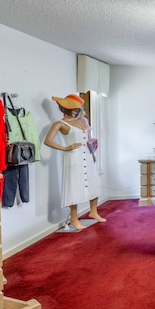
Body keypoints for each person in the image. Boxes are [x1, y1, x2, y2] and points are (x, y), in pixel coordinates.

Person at [43, 94, 105, 230]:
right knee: (74, 186)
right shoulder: (60, 124)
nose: (79, 109)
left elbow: (89, 138)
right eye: (77, 107)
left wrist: (93, 154)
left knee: (94, 182)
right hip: (73, 157)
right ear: (68, 109)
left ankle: (93, 211)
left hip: (87, 154)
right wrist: (66, 148)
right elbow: (47, 141)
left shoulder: (84, 121)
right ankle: (74, 219)